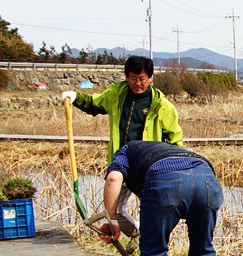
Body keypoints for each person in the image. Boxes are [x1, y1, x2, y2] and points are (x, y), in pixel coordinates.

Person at [99, 140, 223, 256]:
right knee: (203, 249)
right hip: (207, 179)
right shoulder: (162, 149)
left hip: (166, 181)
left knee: (154, 251)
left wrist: (111, 221)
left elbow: (113, 179)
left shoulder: (124, 151)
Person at [61, 55, 183, 237]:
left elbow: (175, 139)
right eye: (133, 78)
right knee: (114, 211)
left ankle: (150, 247)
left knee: (152, 211)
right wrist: (76, 97)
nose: (137, 83)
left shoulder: (161, 105)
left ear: (150, 78)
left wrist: (176, 167)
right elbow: (94, 104)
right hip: (121, 161)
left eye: (142, 79)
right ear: (126, 77)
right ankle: (136, 234)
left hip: (148, 165)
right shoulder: (116, 95)